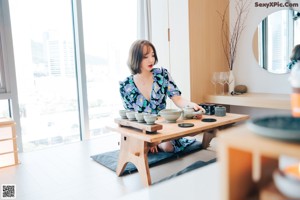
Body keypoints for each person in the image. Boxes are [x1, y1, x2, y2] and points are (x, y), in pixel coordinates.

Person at [119, 40, 205, 153]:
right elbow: (130, 118)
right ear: (136, 58)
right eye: (146, 57)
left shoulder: (162, 75)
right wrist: (147, 139)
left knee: (168, 147)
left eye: (153, 55)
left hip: (162, 128)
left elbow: (177, 98)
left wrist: (191, 105)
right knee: (132, 148)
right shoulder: (125, 85)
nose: (151, 60)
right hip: (141, 129)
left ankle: (157, 143)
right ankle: (150, 143)